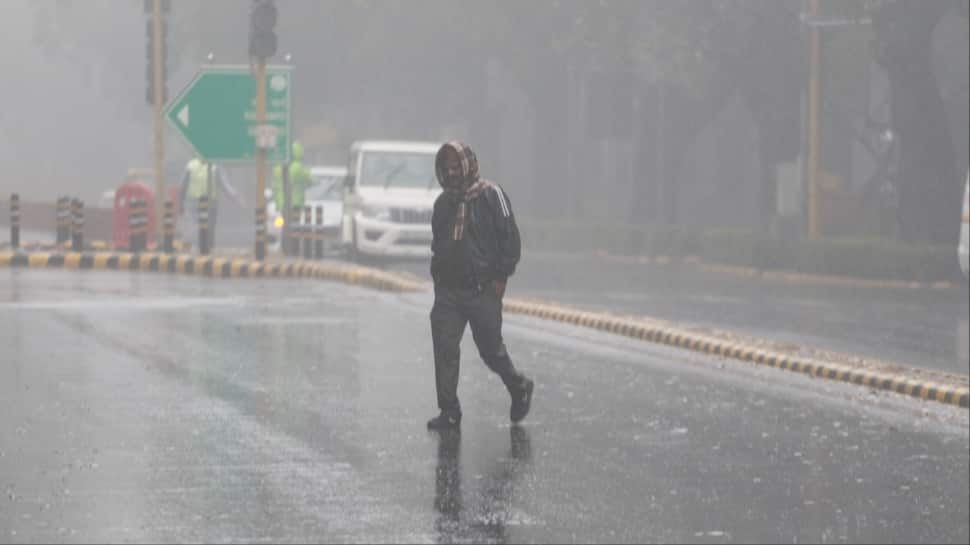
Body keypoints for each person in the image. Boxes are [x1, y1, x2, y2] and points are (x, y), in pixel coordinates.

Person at [426, 141, 534, 430]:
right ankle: (449, 411)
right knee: (445, 349)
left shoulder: (491, 195)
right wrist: (439, 280)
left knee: (490, 350)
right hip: (448, 293)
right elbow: (438, 245)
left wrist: (500, 277)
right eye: (446, 167)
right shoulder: (443, 204)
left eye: (456, 166)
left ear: (468, 165)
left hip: (482, 289)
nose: (451, 172)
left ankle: (518, 386)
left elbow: (510, 239)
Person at [178, 156, 243, 249]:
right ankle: (203, 248)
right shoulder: (198, 166)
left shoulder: (194, 166)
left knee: (203, 226)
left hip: (203, 203)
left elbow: (182, 186)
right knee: (202, 227)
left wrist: (235, 197)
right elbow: (225, 185)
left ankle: (204, 248)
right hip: (199, 203)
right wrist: (235, 197)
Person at [272, 141, 313, 214]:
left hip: (281, 203)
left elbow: (274, 186)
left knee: (281, 220)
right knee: (295, 220)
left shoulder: (277, 168)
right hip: (295, 203)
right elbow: (309, 180)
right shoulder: (298, 167)